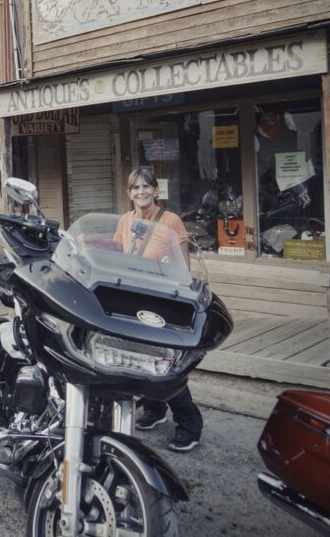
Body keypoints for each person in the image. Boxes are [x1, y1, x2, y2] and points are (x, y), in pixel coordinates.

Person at [113, 167, 203, 453]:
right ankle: (154, 409)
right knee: (136, 359)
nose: (141, 192)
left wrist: (184, 298)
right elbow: (116, 254)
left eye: (146, 187)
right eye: (135, 188)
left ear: (156, 191)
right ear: (129, 193)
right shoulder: (126, 220)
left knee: (162, 362)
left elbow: (183, 265)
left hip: (160, 300)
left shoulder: (171, 220)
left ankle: (189, 422)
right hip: (132, 297)